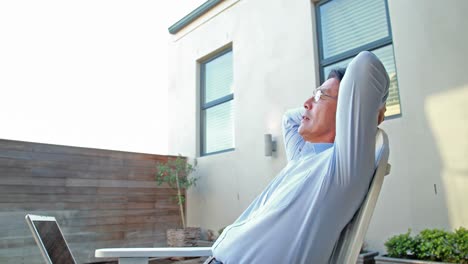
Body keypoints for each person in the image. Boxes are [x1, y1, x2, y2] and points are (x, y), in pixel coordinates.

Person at [206, 51, 390, 264]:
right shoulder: (303, 157)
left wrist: (372, 109)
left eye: (320, 96)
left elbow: (366, 65)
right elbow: (288, 120)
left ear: (345, 110)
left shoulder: (342, 169)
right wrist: (320, 98)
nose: (306, 103)